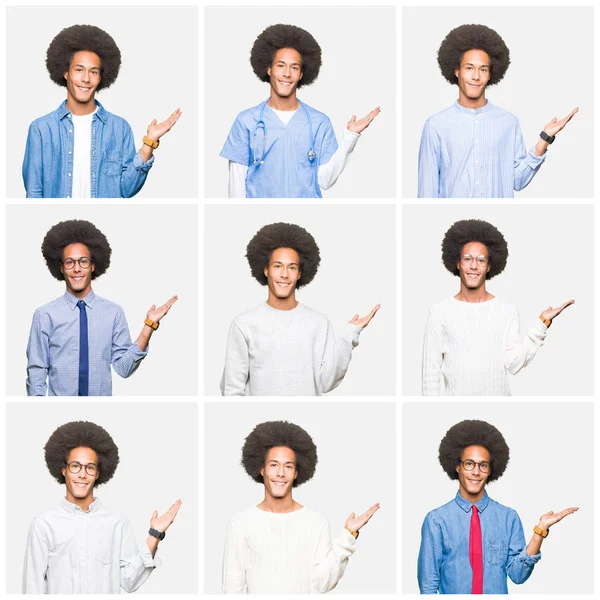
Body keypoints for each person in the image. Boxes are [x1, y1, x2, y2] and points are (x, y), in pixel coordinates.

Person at [417, 419, 578, 594]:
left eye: (483, 465)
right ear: (457, 466)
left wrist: (540, 531)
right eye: (469, 464)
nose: (476, 472)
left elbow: (518, 575)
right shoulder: (436, 520)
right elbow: (428, 586)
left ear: (490, 470)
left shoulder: (508, 518)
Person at [220, 24, 380, 198]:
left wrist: (350, 137)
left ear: (302, 73)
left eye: (294, 67)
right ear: (269, 69)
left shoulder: (319, 123)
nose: (287, 73)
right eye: (280, 65)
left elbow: (325, 180)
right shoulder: (246, 121)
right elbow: (236, 188)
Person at [418, 24, 577, 198]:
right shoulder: (436, 125)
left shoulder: (509, 122)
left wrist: (544, 139)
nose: (476, 76)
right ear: (457, 71)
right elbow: (427, 192)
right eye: (469, 68)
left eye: (483, 69)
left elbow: (517, 181)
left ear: (490, 74)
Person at [221, 222, 379, 395]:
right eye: (277, 266)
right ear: (266, 269)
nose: (284, 274)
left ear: (300, 273)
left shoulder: (318, 323)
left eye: (292, 267)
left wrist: (350, 334)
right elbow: (232, 389)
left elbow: (326, 383)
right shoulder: (244, 324)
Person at [23, 24, 181, 198]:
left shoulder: (119, 128)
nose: (85, 79)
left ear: (100, 78)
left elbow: (126, 190)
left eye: (93, 72)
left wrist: (149, 142)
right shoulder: (41, 129)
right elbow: (34, 193)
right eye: (79, 70)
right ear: (66, 73)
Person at [23, 421, 181, 594]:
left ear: (98, 473)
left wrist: (154, 535)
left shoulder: (116, 523)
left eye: (90, 467)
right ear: (63, 469)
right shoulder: (44, 525)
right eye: (75, 466)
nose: (82, 474)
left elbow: (130, 581)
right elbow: (32, 588)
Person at [223, 421, 379, 593]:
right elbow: (231, 589)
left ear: (297, 472)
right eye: (274, 465)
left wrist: (348, 535)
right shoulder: (241, 524)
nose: (280, 473)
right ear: (262, 469)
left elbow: (323, 583)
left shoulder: (316, 522)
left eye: (288, 466)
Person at [422, 219, 573, 395]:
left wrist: (542, 323)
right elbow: (430, 376)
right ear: (457, 263)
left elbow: (513, 365)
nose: (473, 266)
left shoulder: (506, 312)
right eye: (467, 259)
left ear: (489, 266)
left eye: (480, 260)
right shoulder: (439, 313)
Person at [26, 219, 177, 396]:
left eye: (83, 261)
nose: (76, 269)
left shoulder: (113, 313)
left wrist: (149, 326)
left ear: (93, 265)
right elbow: (36, 373)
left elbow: (124, 368)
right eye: (69, 262)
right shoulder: (45, 315)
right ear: (60, 267)